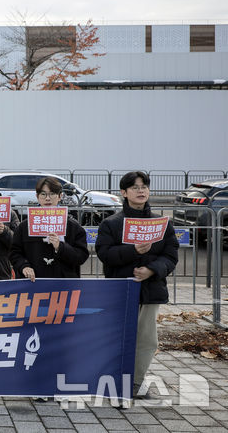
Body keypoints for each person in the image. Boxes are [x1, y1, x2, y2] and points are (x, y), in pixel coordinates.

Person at [95, 171, 178, 400]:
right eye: (135, 187)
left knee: (146, 339)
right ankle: (112, 379)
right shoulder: (111, 223)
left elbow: (171, 255)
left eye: (144, 186)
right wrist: (132, 251)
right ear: (124, 193)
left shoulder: (162, 223)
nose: (141, 191)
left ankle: (136, 381)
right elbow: (104, 253)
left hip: (151, 290)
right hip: (120, 290)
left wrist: (151, 270)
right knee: (118, 336)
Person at [10, 177, 89, 282]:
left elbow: (81, 256)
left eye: (52, 194)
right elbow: (14, 253)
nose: (48, 198)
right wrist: (24, 266)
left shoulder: (73, 226)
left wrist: (60, 247)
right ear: (37, 197)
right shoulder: (24, 227)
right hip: (33, 284)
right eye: (43, 194)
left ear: (60, 196)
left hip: (64, 284)